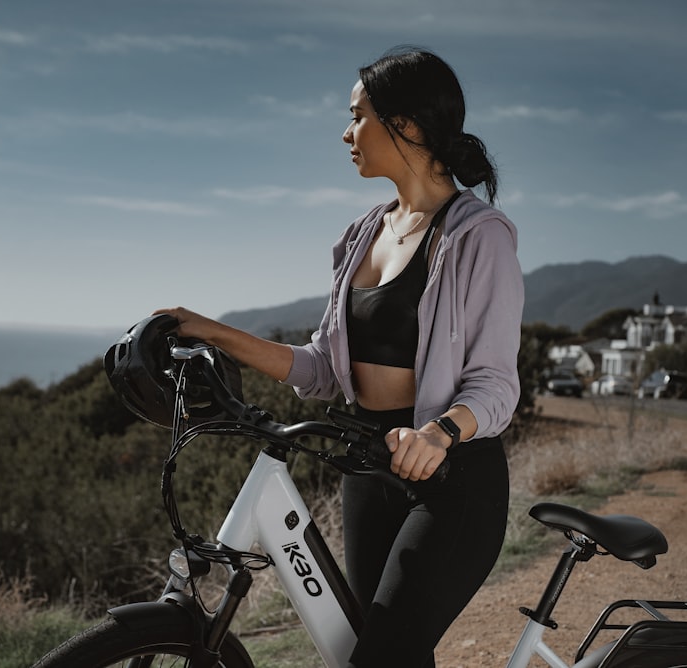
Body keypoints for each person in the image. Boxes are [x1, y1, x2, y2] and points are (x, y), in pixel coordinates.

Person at [157, 46, 522, 667]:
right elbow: (324, 369)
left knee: (378, 658)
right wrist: (211, 330)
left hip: (451, 481)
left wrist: (437, 434)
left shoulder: (476, 234)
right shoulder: (358, 237)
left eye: (357, 116)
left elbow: (494, 385)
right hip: (368, 467)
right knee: (380, 650)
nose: (346, 132)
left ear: (404, 123)